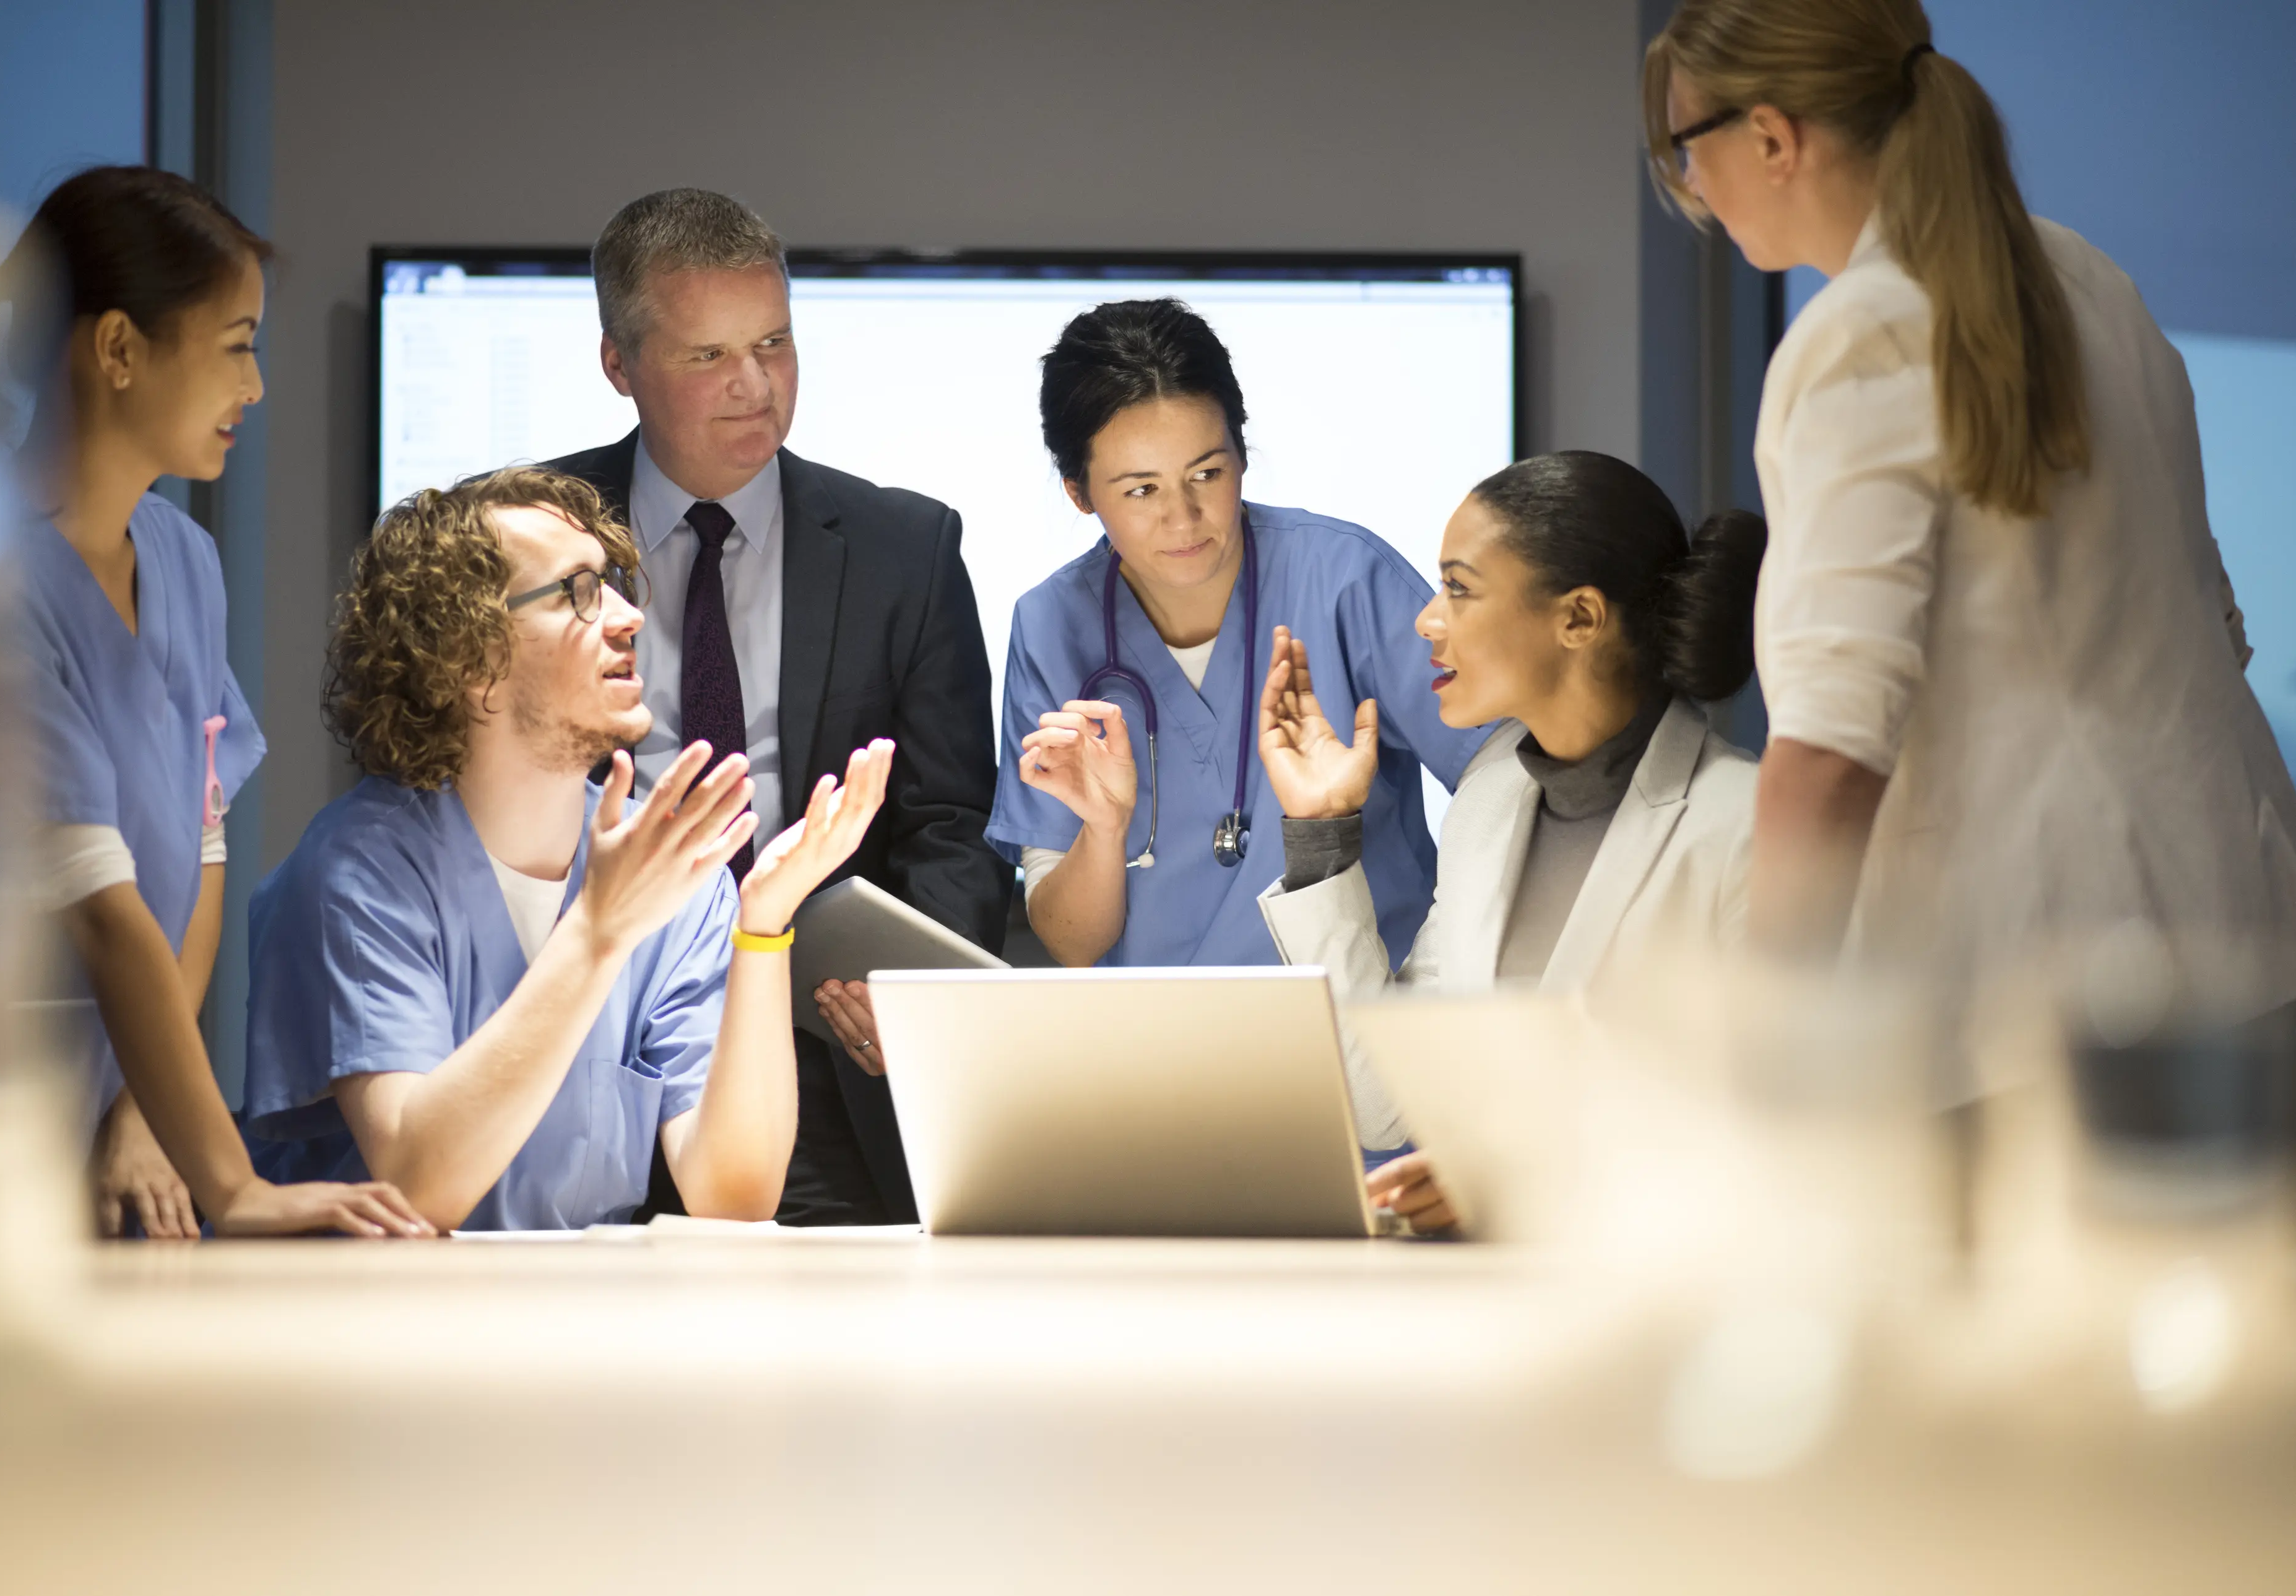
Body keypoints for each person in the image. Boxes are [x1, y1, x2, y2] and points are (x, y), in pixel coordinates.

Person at [1641, 2, 2296, 1020]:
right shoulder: (2088, 278)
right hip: (2249, 933)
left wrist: (1764, 1034)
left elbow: (1828, 750)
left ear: (1771, 137)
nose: (1692, 186)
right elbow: (2212, 624)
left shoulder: (1856, 336)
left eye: (1685, 149)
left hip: (2049, 984)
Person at [238, 468, 892, 1231]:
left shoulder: (673, 876)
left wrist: (762, 927)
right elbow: (418, 1194)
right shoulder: (360, 870)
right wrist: (596, 932)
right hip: (361, 1300)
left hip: (567, 1299)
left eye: (613, 584)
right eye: (578, 592)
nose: (628, 617)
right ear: (468, 659)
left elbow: (733, 1194)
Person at [545, 188, 1005, 1227]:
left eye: (773, 343)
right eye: (708, 355)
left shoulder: (904, 548)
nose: (754, 385)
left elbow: (948, 824)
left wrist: (904, 994)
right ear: (618, 365)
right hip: (582, 1045)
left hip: (819, 1057)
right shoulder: (524, 530)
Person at [14, 165, 431, 1239]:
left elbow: (199, 851)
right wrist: (237, 1185)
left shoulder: (183, 559)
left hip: (130, 1128)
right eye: (237, 345)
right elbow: (104, 910)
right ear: (119, 349)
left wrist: (143, 1110)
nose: (255, 387)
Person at [1258, 452, 1765, 1230]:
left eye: (1458, 589)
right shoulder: (1490, 804)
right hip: (1484, 1288)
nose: (1427, 620)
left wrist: (1517, 1176)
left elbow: (1778, 1137)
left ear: (1578, 619)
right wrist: (1321, 832)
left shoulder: (1745, 825)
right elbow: (1389, 1104)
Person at [981, 297, 1486, 1005]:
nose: (1182, 518)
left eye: (1207, 475)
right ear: (1079, 493)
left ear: (1241, 455)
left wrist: (1450, 974)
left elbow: (1506, 773)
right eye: (1141, 490)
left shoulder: (1343, 578)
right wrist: (1103, 829)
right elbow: (1072, 942)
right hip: (1165, 1045)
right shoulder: (1050, 625)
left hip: (1364, 1030)